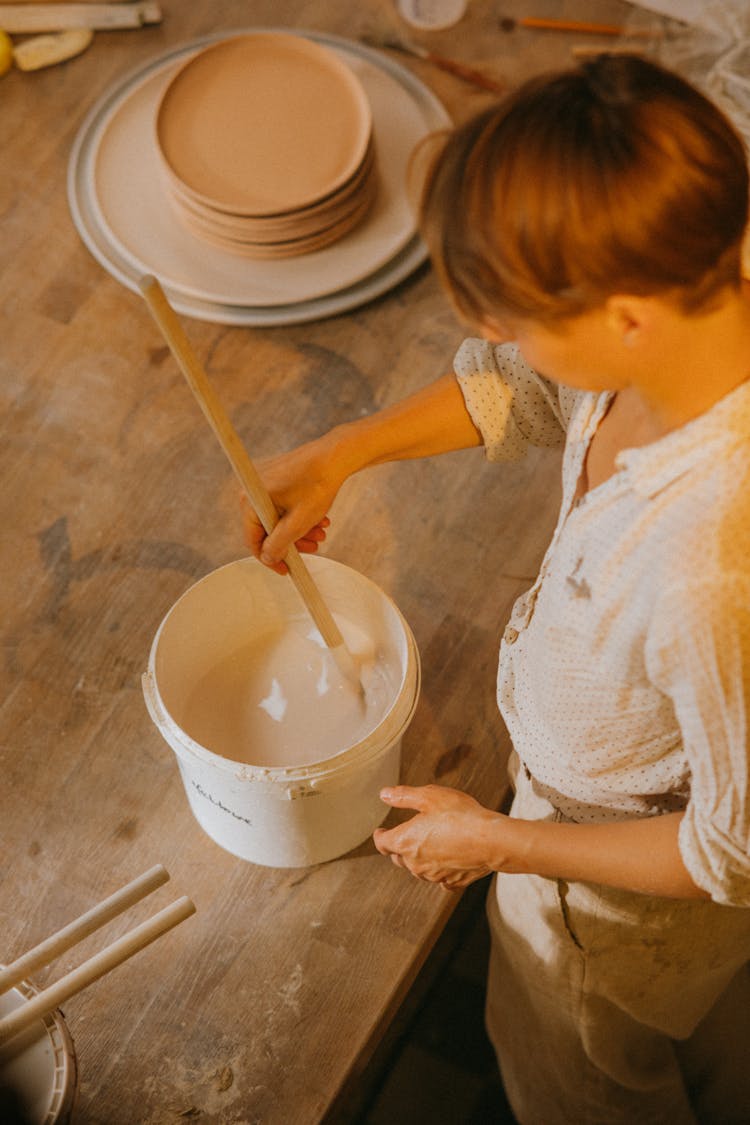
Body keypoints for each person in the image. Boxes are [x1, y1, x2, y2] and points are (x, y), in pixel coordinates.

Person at [242, 54, 750, 1123]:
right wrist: (347, 448)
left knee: (590, 1076)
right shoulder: (693, 299)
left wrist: (502, 844)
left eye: (517, 320)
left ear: (624, 319)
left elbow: (730, 848)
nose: (499, 343)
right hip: (600, 844)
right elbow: (524, 389)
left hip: (609, 913)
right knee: (704, 1042)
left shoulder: (710, 568)